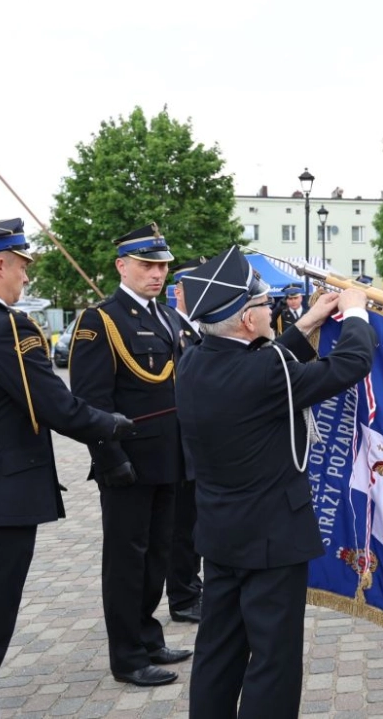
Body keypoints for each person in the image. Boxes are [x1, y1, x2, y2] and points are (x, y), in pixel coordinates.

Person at [0, 218, 134, 718]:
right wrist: (113, 424)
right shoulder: (6, 326)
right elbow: (55, 405)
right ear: (0, 264)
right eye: (21, 266)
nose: (25, 278)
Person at [175, 245, 376, 719]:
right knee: (273, 659)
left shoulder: (193, 362)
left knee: (218, 651)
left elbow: (264, 371)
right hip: (271, 537)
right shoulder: (265, 371)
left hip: (221, 534)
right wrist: (356, 315)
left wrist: (308, 322)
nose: (272, 309)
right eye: (265, 305)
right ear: (247, 319)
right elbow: (348, 365)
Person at [70, 222, 193, 687]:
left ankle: (147, 635)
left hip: (169, 458)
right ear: (122, 266)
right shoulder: (100, 320)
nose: (156, 273)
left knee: (157, 554)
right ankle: (126, 656)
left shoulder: (165, 316)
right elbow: (90, 401)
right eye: (146, 265)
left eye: (161, 266)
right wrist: (110, 460)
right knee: (126, 561)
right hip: (128, 463)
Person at [165, 257, 207, 624]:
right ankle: (182, 595)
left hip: (200, 445)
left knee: (195, 522)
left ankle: (191, 586)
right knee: (181, 527)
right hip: (176, 446)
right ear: (179, 291)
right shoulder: (170, 328)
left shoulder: (200, 330)